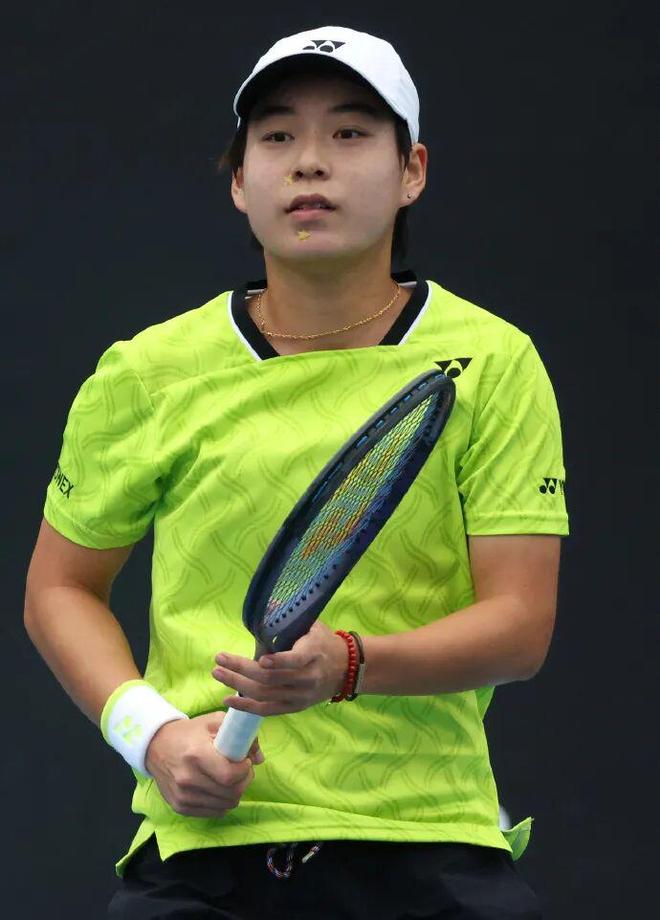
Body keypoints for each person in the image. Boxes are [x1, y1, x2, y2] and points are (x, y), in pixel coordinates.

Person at [24, 24, 569, 920]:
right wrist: (152, 737)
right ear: (241, 181)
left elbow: (520, 626)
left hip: (428, 838)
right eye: (277, 136)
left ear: (412, 171)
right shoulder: (147, 372)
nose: (310, 161)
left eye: (350, 133)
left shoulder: (494, 362)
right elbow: (59, 587)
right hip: (203, 854)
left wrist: (347, 664)